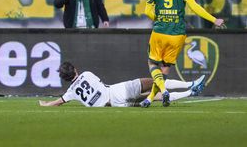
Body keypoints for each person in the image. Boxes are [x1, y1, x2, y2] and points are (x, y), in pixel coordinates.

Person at [140, 0, 225, 108]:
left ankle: (164, 90)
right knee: (165, 68)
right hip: (177, 34)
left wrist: (160, 18)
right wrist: (214, 19)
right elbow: (194, 7)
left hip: (160, 32)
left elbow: (147, 11)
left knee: (153, 63)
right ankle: (150, 98)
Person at [38, 61, 206, 108]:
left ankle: (191, 93)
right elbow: (101, 85)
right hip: (118, 91)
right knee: (157, 81)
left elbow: (61, 100)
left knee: (154, 97)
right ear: (75, 69)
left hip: (118, 105)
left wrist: (47, 104)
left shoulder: (71, 92)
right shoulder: (87, 74)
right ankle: (191, 83)